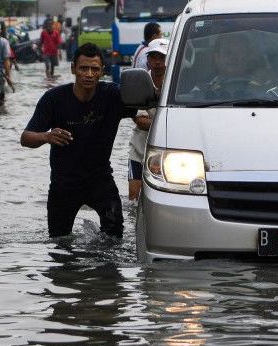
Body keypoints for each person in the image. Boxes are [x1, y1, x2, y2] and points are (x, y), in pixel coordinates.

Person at [20, 43, 139, 238]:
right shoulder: (54, 99)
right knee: (59, 242)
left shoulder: (113, 96)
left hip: (100, 179)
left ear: (102, 71)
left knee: (115, 235)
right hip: (64, 182)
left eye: (94, 69)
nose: (89, 74)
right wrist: (47, 136)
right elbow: (25, 138)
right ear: (73, 69)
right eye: (83, 68)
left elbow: (147, 105)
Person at [128, 38, 168, 200]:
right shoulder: (140, 82)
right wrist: (169, 125)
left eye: (162, 58)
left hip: (167, 153)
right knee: (134, 199)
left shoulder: (178, 84)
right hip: (139, 152)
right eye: (153, 57)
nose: (157, 62)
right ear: (148, 59)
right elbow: (140, 121)